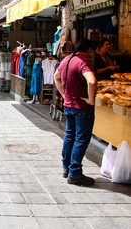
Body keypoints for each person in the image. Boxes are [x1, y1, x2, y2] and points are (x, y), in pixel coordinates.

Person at [54, 38, 97, 186]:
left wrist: (64, 94)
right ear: (89, 50)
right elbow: (91, 81)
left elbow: (56, 77)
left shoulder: (67, 59)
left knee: (70, 135)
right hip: (82, 108)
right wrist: (91, 100)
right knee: (81, 139)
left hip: (69, 105)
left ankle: (66, 168)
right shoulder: (84, 61)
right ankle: (75, 173)